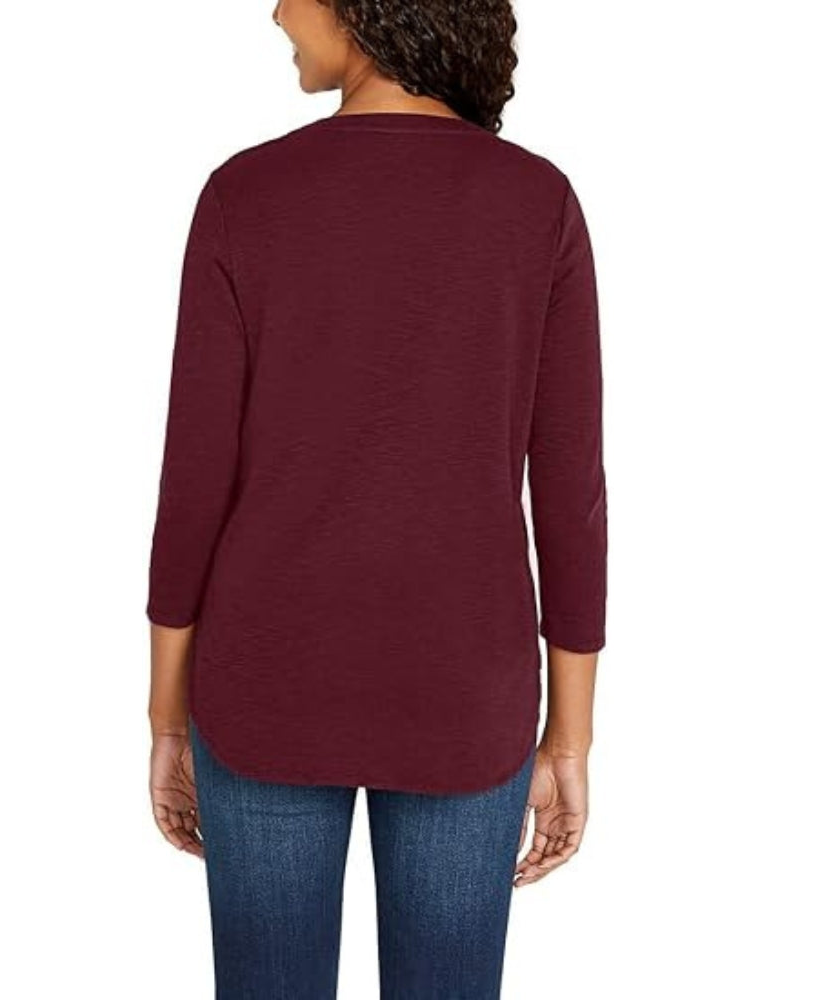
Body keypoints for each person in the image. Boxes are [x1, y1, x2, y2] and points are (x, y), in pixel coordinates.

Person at [146, 0, 607, 996]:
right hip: (466, 691)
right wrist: (570, 736)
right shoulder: (537, 202)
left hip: (265, 684)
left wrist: (168, 714)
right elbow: (571, 494)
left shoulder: (244, 196)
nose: (276, 10)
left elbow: (193, 483)